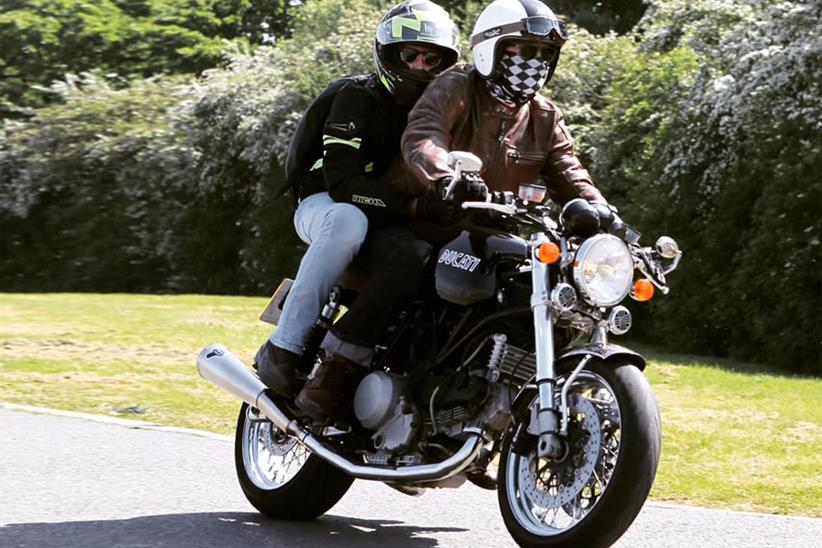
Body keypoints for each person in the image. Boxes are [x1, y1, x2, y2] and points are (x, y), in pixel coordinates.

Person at [255, 1, 460, 402]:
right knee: (349, 220)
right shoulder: (356, 97)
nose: (420, 65)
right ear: (387, 55)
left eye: (431, 57)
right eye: (410, 55)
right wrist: (415, 208)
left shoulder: (444, 110)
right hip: (323, 205)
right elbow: (345, 185)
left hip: (386, 215)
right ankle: (284, 346)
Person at [402, 0, 608, 210]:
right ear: (490, 49)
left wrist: (603, 212)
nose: (538, 61)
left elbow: (570, 172)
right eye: (527, 51)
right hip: (433, 220)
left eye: (547, 53)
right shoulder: (455, 87)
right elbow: (424, 137)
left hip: (498, 230)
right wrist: (445, 177)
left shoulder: (545, 115)